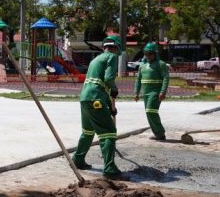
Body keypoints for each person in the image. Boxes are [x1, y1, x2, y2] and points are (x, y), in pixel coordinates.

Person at [71, 35, 123, 179]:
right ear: (116, 48)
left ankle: (78, 160)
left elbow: (97, 84)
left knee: (88, 132)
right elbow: (108, 79)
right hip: (95, 98)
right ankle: (110, 168)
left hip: (85, 98)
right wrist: (114, 88)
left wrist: (109, 105)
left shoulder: (96, 59)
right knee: (109, 132)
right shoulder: (111, 57)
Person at [134, 42, 169, 141]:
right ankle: (158, 134)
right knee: (148, 112)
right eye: (146, 53)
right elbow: (138, 79)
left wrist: (163, 91)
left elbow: (166, 78)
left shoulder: (160, 64)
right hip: (145, 93)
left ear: (155, 53)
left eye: (150, 53)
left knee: (151, 111)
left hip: (155, 92)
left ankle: (160, 132)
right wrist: (136, 92)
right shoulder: (142, 66)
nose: (148, 56)